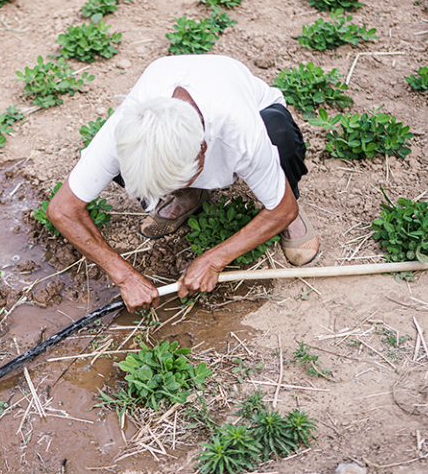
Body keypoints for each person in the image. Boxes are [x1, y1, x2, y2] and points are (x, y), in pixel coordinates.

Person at [46, 54, 319, 313]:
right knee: (124, 167)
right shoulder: (127, 129)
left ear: (202, 149)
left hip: (260, 112)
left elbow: (281, 209)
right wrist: (124, 276)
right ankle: (189, 197)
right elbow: (62, 210)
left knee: (280, 138)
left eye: (175, 181)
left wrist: (213, 260)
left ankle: (285, 193)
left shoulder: (240, 131)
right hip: (182, 133)